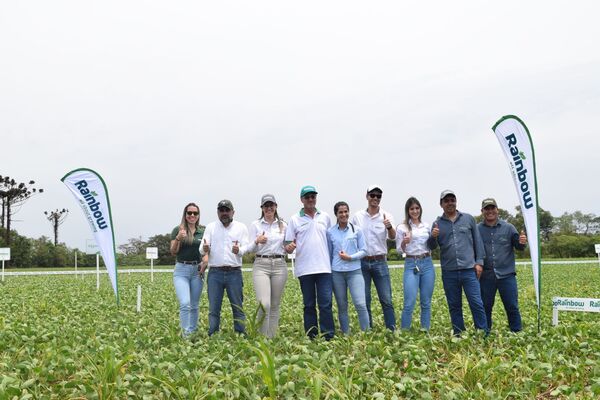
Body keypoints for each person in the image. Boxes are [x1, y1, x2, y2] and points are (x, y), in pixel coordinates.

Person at [427, 190, 488, 336]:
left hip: (469, 270)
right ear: (441, 204)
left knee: (476, 303)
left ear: (456, 201)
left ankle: (482, 333)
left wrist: (479, 262)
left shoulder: (468, 219)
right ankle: (458, 334)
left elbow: (478, 242)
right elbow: (432, 246)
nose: (450, 203)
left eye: (452, 200)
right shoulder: (437, 223)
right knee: (454, 305)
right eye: (446, 200)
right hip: (449, 271)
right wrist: (433, 237)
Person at [285, 185, 335, 340]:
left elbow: (331, 241)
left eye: (313, 196)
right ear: (302, 200)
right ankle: (312, 335)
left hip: (324, 268)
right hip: (304, 269)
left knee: (326, 304)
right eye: (307, 197)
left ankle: (328, 335)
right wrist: (289, 247)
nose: (310, 199)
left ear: (316, 198)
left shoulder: (325, 217)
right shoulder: (294, 219)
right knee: (309, 305)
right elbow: (287, 244)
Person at [350, 185, 397, 331]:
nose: (375, 198)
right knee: (365, 300)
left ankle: (391, 329)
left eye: (378, 196)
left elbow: (393, 237)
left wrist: (389, 227)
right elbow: (351, 237)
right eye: (372, 195)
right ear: (367, 196)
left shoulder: (387, 216)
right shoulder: (357, 217)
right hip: (362, 262)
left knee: (386, 299)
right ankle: (367, 329)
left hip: (380, 261)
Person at [478, 198, 527, 332]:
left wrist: (522, 242)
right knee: (485, 306)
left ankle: (516, 332)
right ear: (482, 211)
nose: (490, 211)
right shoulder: (477, 229)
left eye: (492, 208)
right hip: (486, 276)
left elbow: (519, 246)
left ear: (497, 210)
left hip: (507, 275)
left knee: (512, 306)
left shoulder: (509, 228)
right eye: (486, 209)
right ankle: (485, 332)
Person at [201, 199, 249, 335]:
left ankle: (240, 334)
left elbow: (246, 247)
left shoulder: (241, 227)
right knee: (214, 308)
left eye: (227, 210)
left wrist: (239, 250)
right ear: (217, 212)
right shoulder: (211, 227)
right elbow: (202, 248)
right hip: (215, 272)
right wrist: (204, 248)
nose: (224, 213)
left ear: (233, 212)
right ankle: (213, 334)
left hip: (234, 272)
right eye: (221, 211)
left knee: (237, 307)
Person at [247, 194, 288, 338]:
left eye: (271, 205)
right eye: (266, 206)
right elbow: (249, 248)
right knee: (264, 304)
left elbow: (288, 246)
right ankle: (263, 337)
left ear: (276, 207)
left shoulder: (283, 225)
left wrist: (291, 247)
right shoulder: (255, 225)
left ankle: (272, 337)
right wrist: (257, 241)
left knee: (275, 304)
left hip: (279, 265)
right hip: (261, 264)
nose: (269, 208)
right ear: (262, 208)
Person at [327, 201, 369, 334]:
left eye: (346, 211)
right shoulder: (330, 232)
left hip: (354, 272)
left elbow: (364, 250)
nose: (344, 214)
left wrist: (350, 257)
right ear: (336, 214)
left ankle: (366, 333)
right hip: (337, 273)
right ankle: (346, 334)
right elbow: (329, 252)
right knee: (342, 306)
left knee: (360, 304)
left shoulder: (357, 230)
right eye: (340, 212)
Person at [395, 197, 435, 331]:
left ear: (420, 209)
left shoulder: (427, 226)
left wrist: (434, 236)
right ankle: (405, 332)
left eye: (417, 208)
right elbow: (400, 250)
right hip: (411, 263)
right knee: (409, 302)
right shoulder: (402, 227)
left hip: (427, 263)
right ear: (408, 210)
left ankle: (425, 331)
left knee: (426, 302)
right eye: (412, 208)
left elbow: (431, 244)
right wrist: (404, 242)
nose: (415, 211)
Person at [170, 202, 205, 338]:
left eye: (195, 213)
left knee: (195, 305)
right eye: (189, 213)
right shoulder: (177, 230)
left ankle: (193, 330)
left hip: (197, 270)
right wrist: (178, 238)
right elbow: (173, 251)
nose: (192, 215)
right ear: (185, 214)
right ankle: (186, 334)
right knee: (185, 303)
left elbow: (207, 251)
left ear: (198, 215)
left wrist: (205, 262)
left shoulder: (203, 231)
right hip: (181, 270)